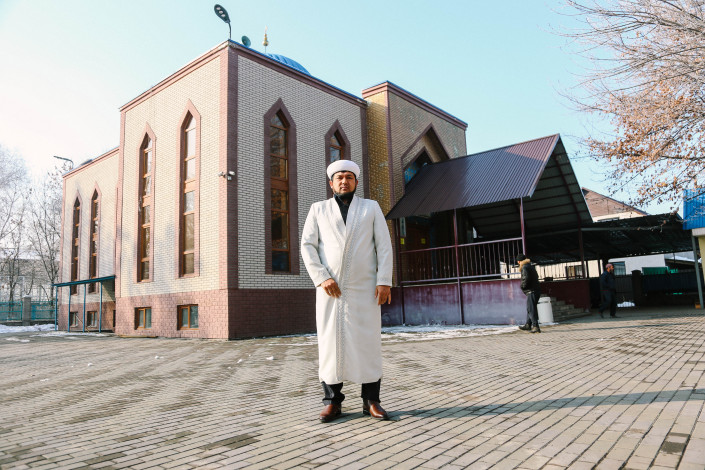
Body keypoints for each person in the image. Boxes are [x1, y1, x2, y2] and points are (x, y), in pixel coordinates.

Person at [301, 159, 394, 423]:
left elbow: (384, 246)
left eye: (349, 177)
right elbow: (307, 246)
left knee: (368, 343)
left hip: (366, 289)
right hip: (331, 290)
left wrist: (384, 281)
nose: (344, 181)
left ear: (356, 182)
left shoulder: (370, 208)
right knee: (330, 343)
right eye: (339, 177)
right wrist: (321, 278)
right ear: (331, 183)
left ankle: (371, 401)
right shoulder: (318, 209)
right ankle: (332, 402)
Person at [517, 253, 541, 333]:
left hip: (531, 291)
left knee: (531, 309)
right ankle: (528, 325)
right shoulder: (530, 266)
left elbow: (526, 279)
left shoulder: (524, 267)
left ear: (519, 261)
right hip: (536, 290)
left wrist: (522, 287)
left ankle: (535, 326)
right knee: (530, 308)